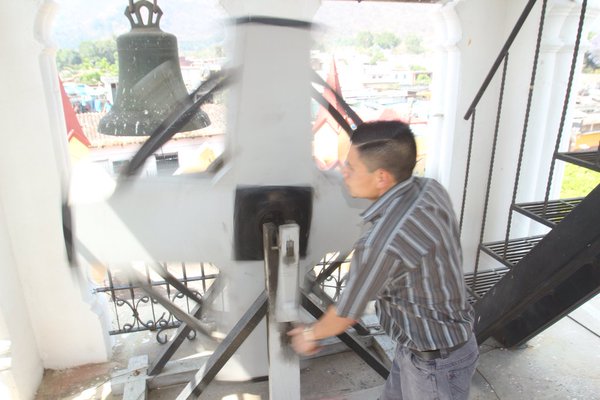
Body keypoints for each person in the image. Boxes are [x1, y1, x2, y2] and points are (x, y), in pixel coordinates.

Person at [288, 120, 478, 400]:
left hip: (436, 364)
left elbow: (344, 314)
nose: (344, 173)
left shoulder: (381, 243)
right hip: (422, 342)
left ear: (381, 178)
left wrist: (309, 335)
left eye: (351, 167)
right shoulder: (429, 189)